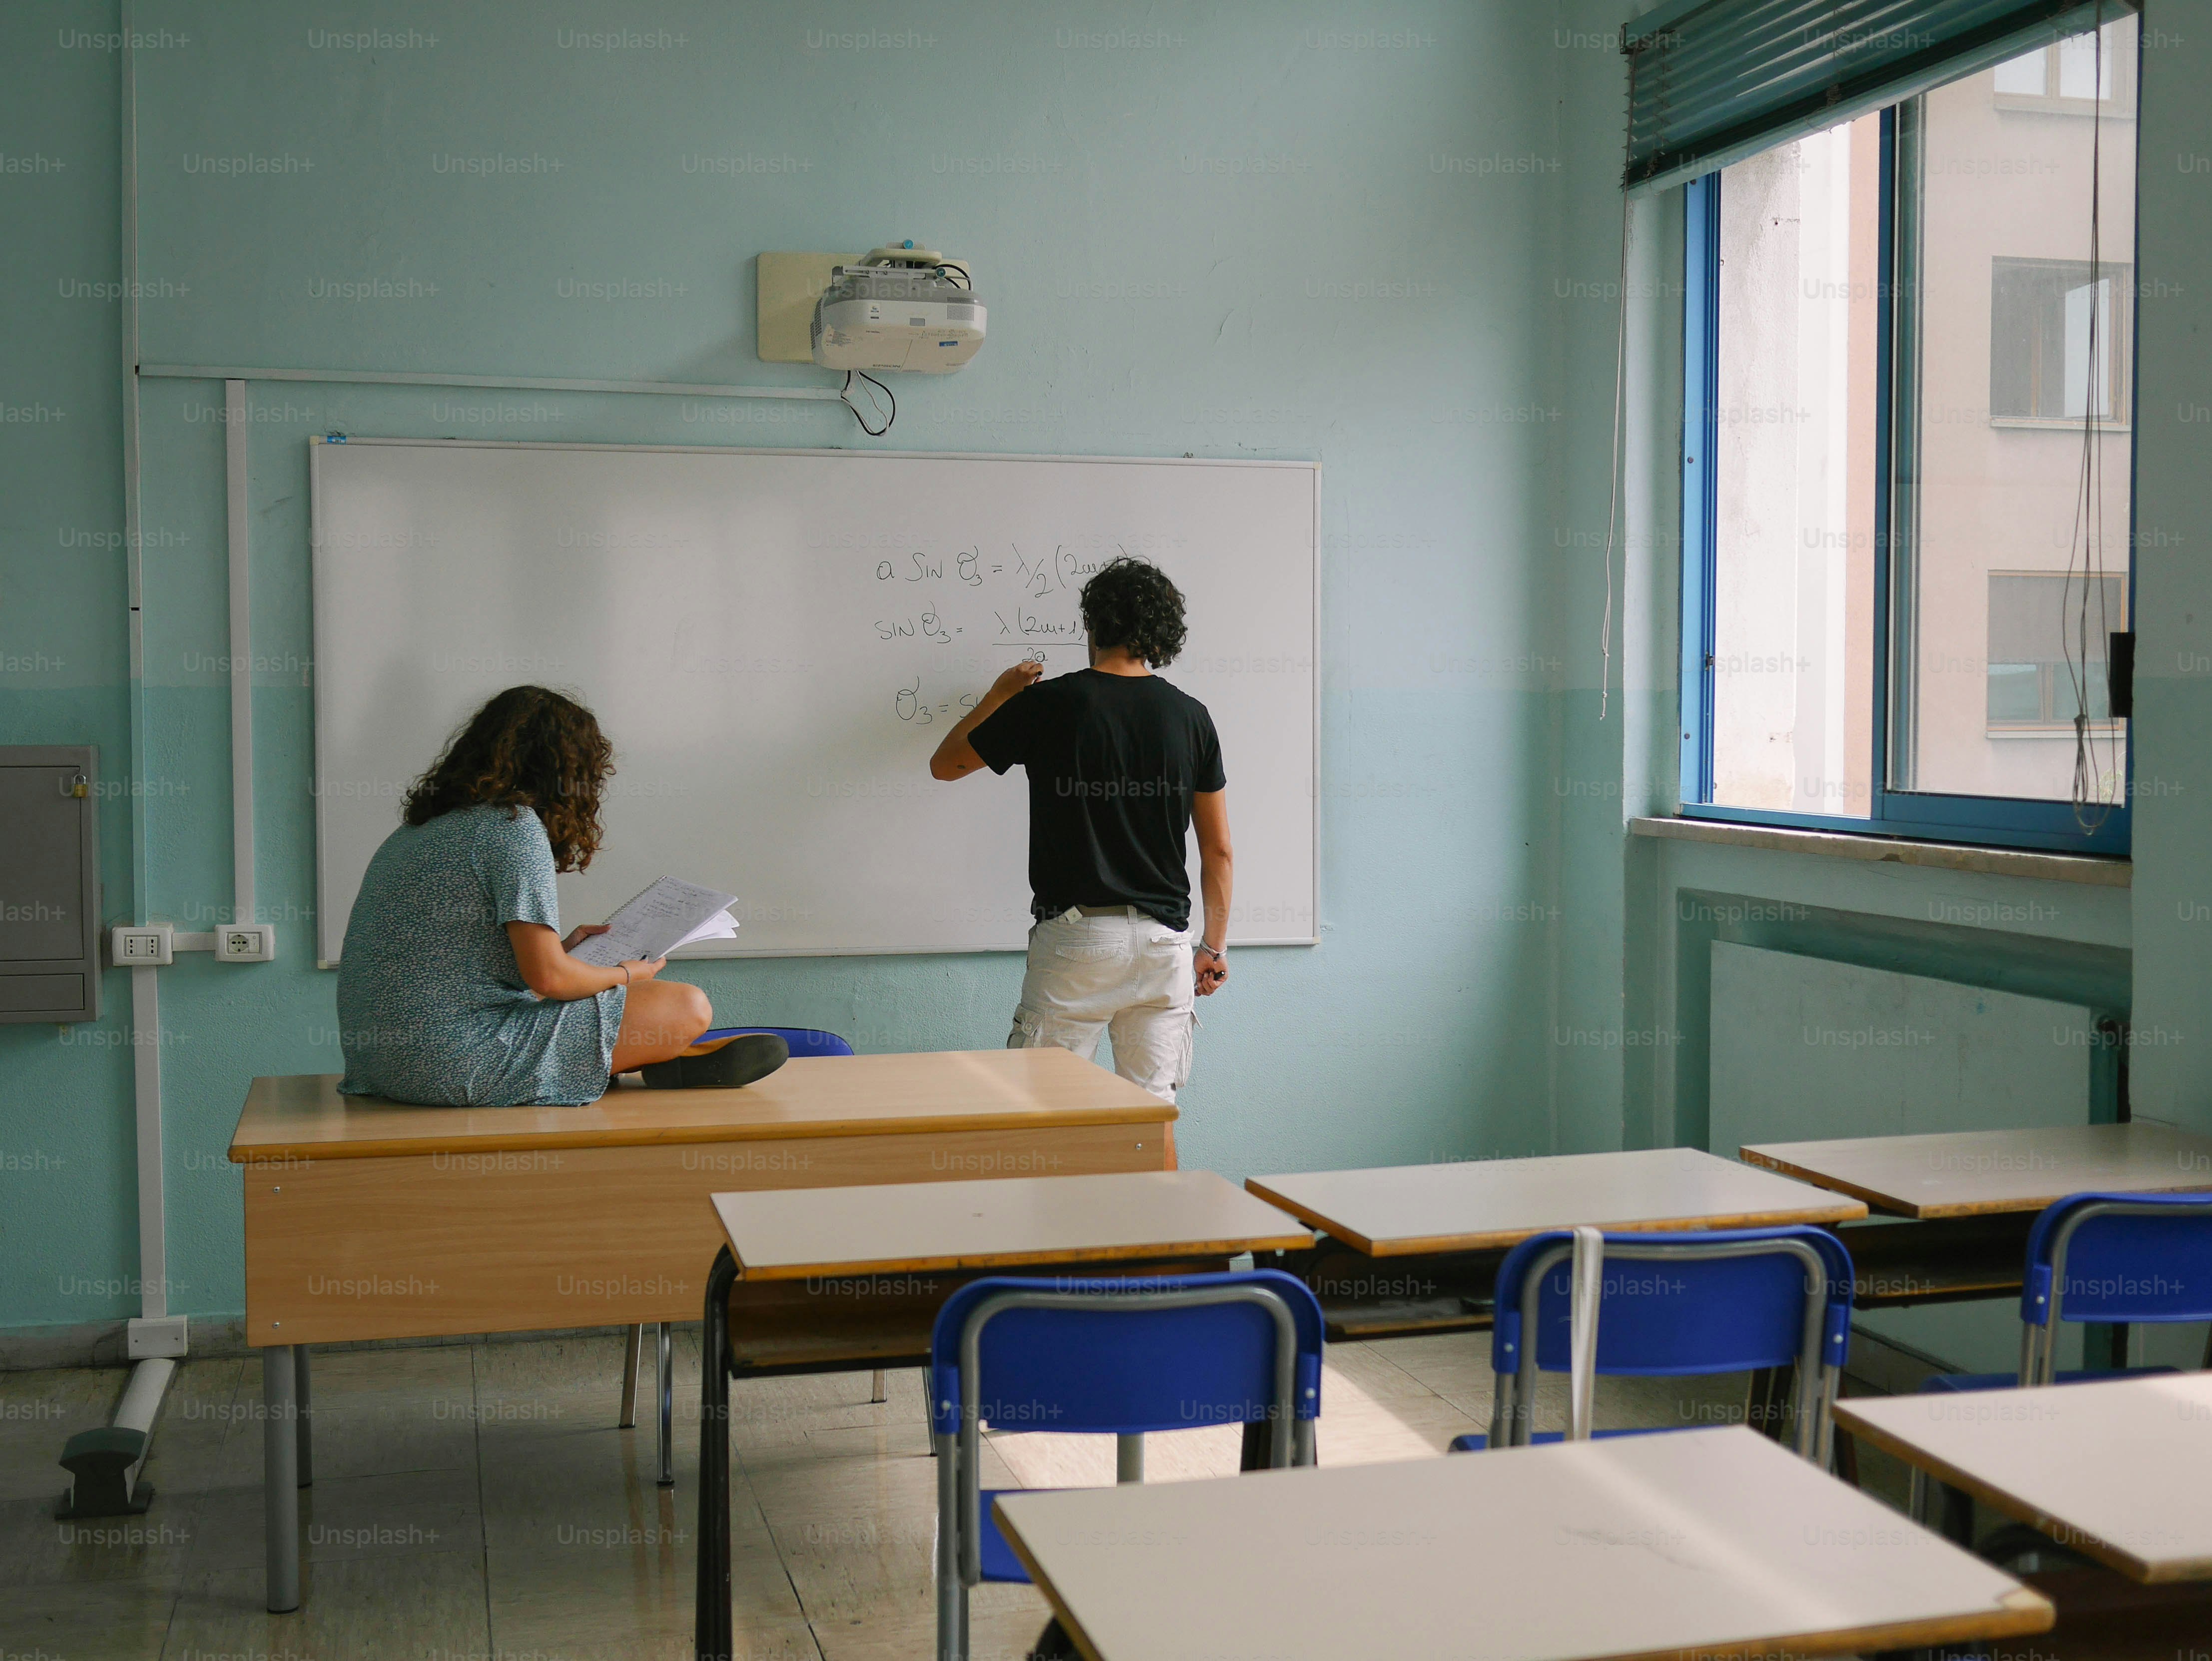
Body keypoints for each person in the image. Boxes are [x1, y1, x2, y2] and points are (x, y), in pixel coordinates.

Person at [336, 685, 785, 1105]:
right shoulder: (512, 827)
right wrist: (627, 973)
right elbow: (548, 980)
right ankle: (643, 1058)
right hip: (453, 1065)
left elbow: (450, 962)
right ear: (565, 772)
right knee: (686, 1005)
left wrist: (564, 950)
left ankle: (636, 1060)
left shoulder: (416, 831)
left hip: (379, 1065)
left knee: (602, 997)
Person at [928, 556, 1231, 1108]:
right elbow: (1219, 851)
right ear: (1160, 636)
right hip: (1166, 945)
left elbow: (945, 764)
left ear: (1094, 624)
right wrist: (1213, 946)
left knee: (1049, 1114)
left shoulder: (1049, 703)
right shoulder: (1191, 717)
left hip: (1077, 941)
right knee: (1154, 1112)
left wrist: (999, 695)